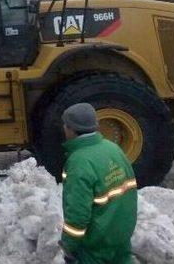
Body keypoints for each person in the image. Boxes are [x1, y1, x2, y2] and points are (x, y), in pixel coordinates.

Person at [59, 102, 138, 264]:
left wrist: (68, 245)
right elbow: (130, 191)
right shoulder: (113, 149)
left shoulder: (78, 162)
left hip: (96, 244)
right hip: (121, 235)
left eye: (65, 125)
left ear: (71, 129)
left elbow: (77, 214)